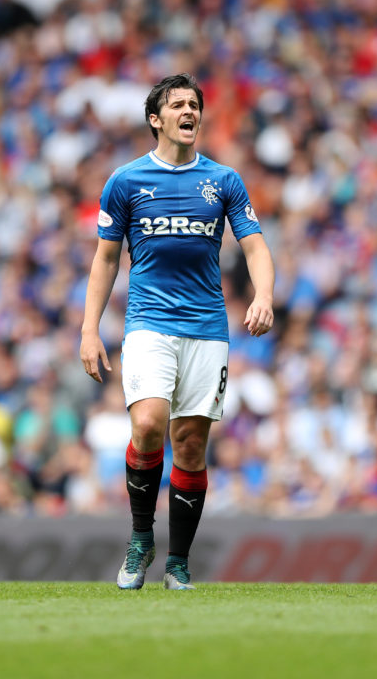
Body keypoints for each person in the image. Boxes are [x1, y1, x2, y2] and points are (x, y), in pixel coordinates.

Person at [80, 73, 275, 590]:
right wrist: (88, 330)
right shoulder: (125, 181)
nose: (190, 111)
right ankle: (141, 537)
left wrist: (264, 295)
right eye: (179, 105)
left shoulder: (224, 181)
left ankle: (179, 561)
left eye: (195, 104)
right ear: (156, 119)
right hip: (148, 323)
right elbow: (104, 260)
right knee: (148, 424)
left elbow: (254, 245)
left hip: (207, 328)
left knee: (189, 445)